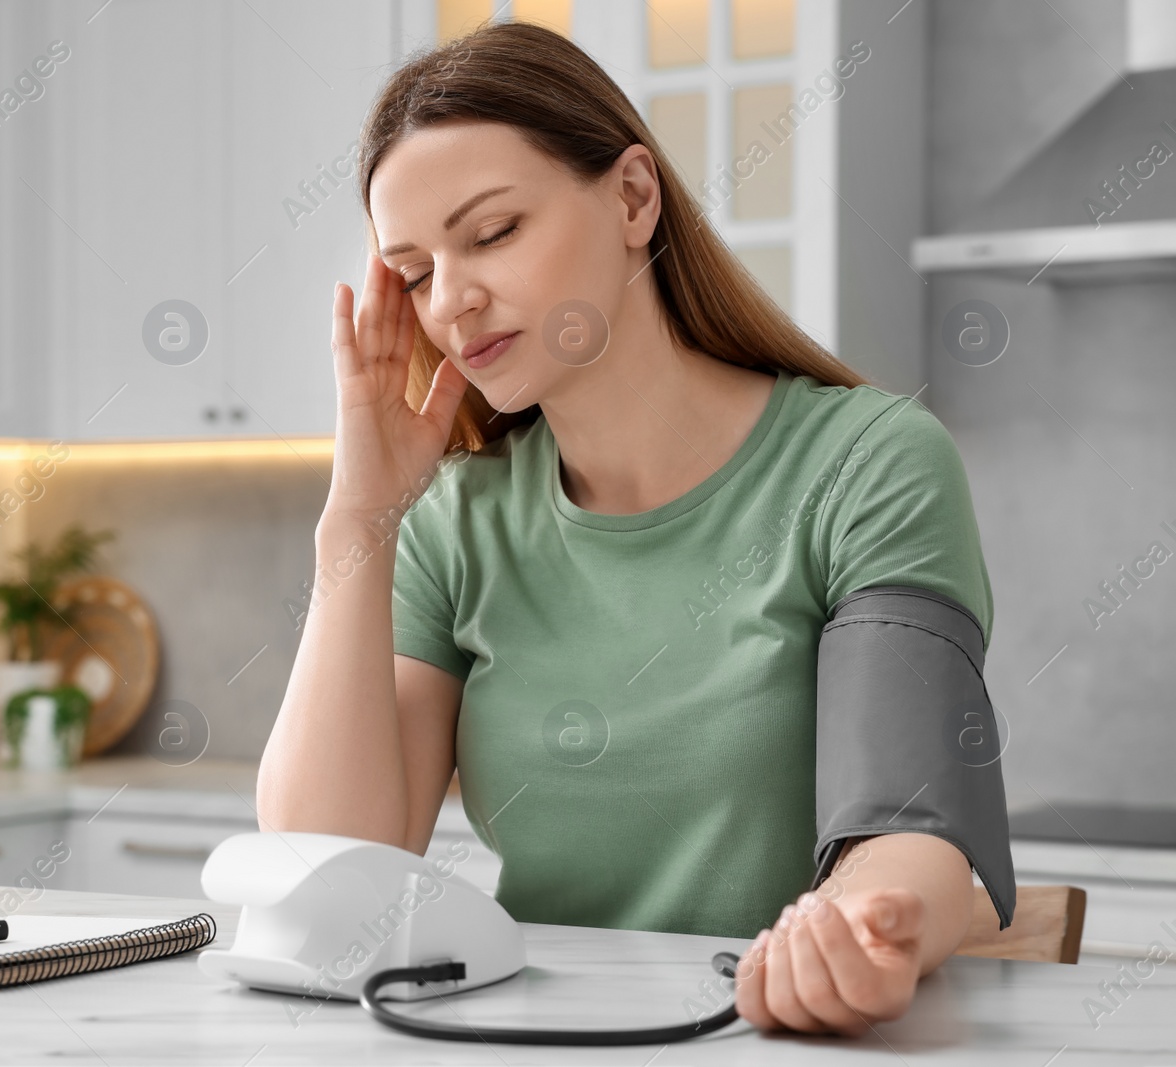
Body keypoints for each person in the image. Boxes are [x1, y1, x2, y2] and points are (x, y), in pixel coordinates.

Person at [257, 20, 998, 1037]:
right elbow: (329, 868)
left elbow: (909, 824)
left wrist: (863, 931)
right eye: (416, 272)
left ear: (633, 198)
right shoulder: (455, 520)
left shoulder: (867, 463)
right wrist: (359, 519)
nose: (455, 300)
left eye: (492, 232)